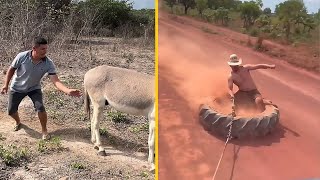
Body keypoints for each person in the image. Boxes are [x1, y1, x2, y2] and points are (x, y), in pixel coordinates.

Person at [0, 37, 81, 140]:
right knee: (11, 111)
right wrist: (5, 84)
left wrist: (67, 90)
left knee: (40, 108)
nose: (45, 51)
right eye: (43, 49)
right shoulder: (22, 56)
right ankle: (18, 122)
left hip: (34, 88)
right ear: (34, 48)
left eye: (46, 49)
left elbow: (55, 81)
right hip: (17, 88)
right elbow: (11, 69)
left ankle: (44, 130)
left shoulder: (48, 63)